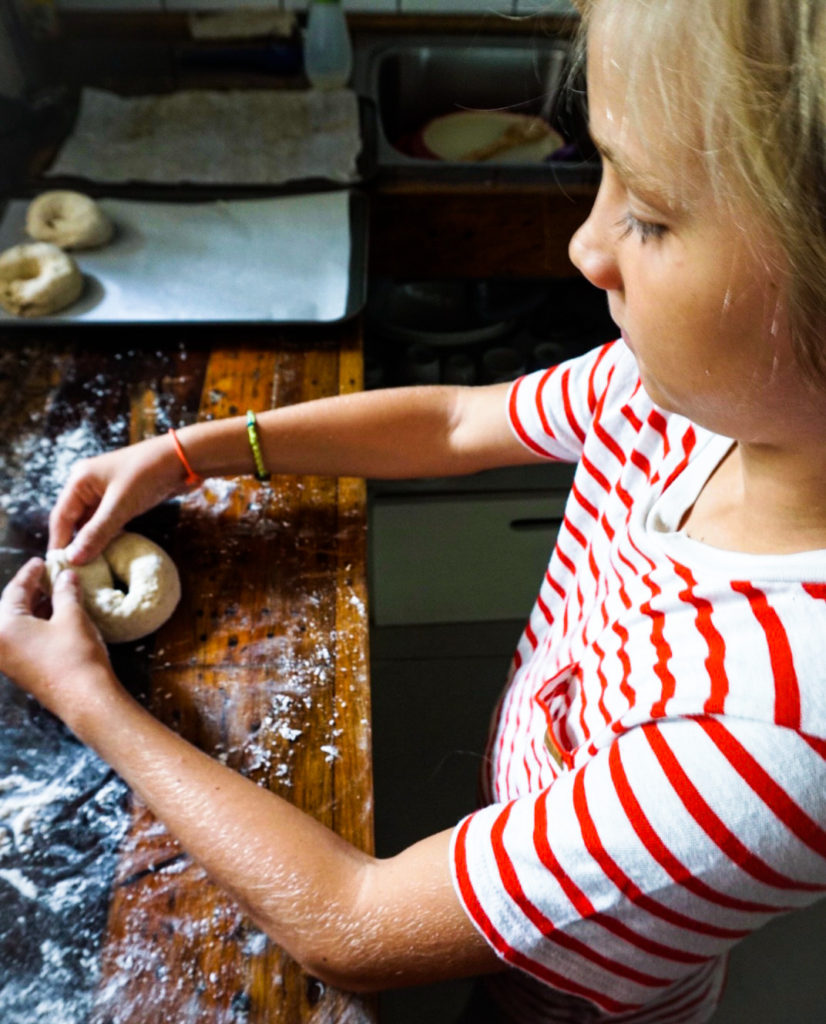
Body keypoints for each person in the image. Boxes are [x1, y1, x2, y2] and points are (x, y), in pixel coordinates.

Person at [2, 1, 826, 1020]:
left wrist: (85, 696)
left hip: (582, 998)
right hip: (551, 829)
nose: (583, 247)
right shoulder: (683, 399)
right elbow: (453, 422)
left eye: (649, 216)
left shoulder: (767, 740)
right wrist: (195, 451)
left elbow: (350, 921)